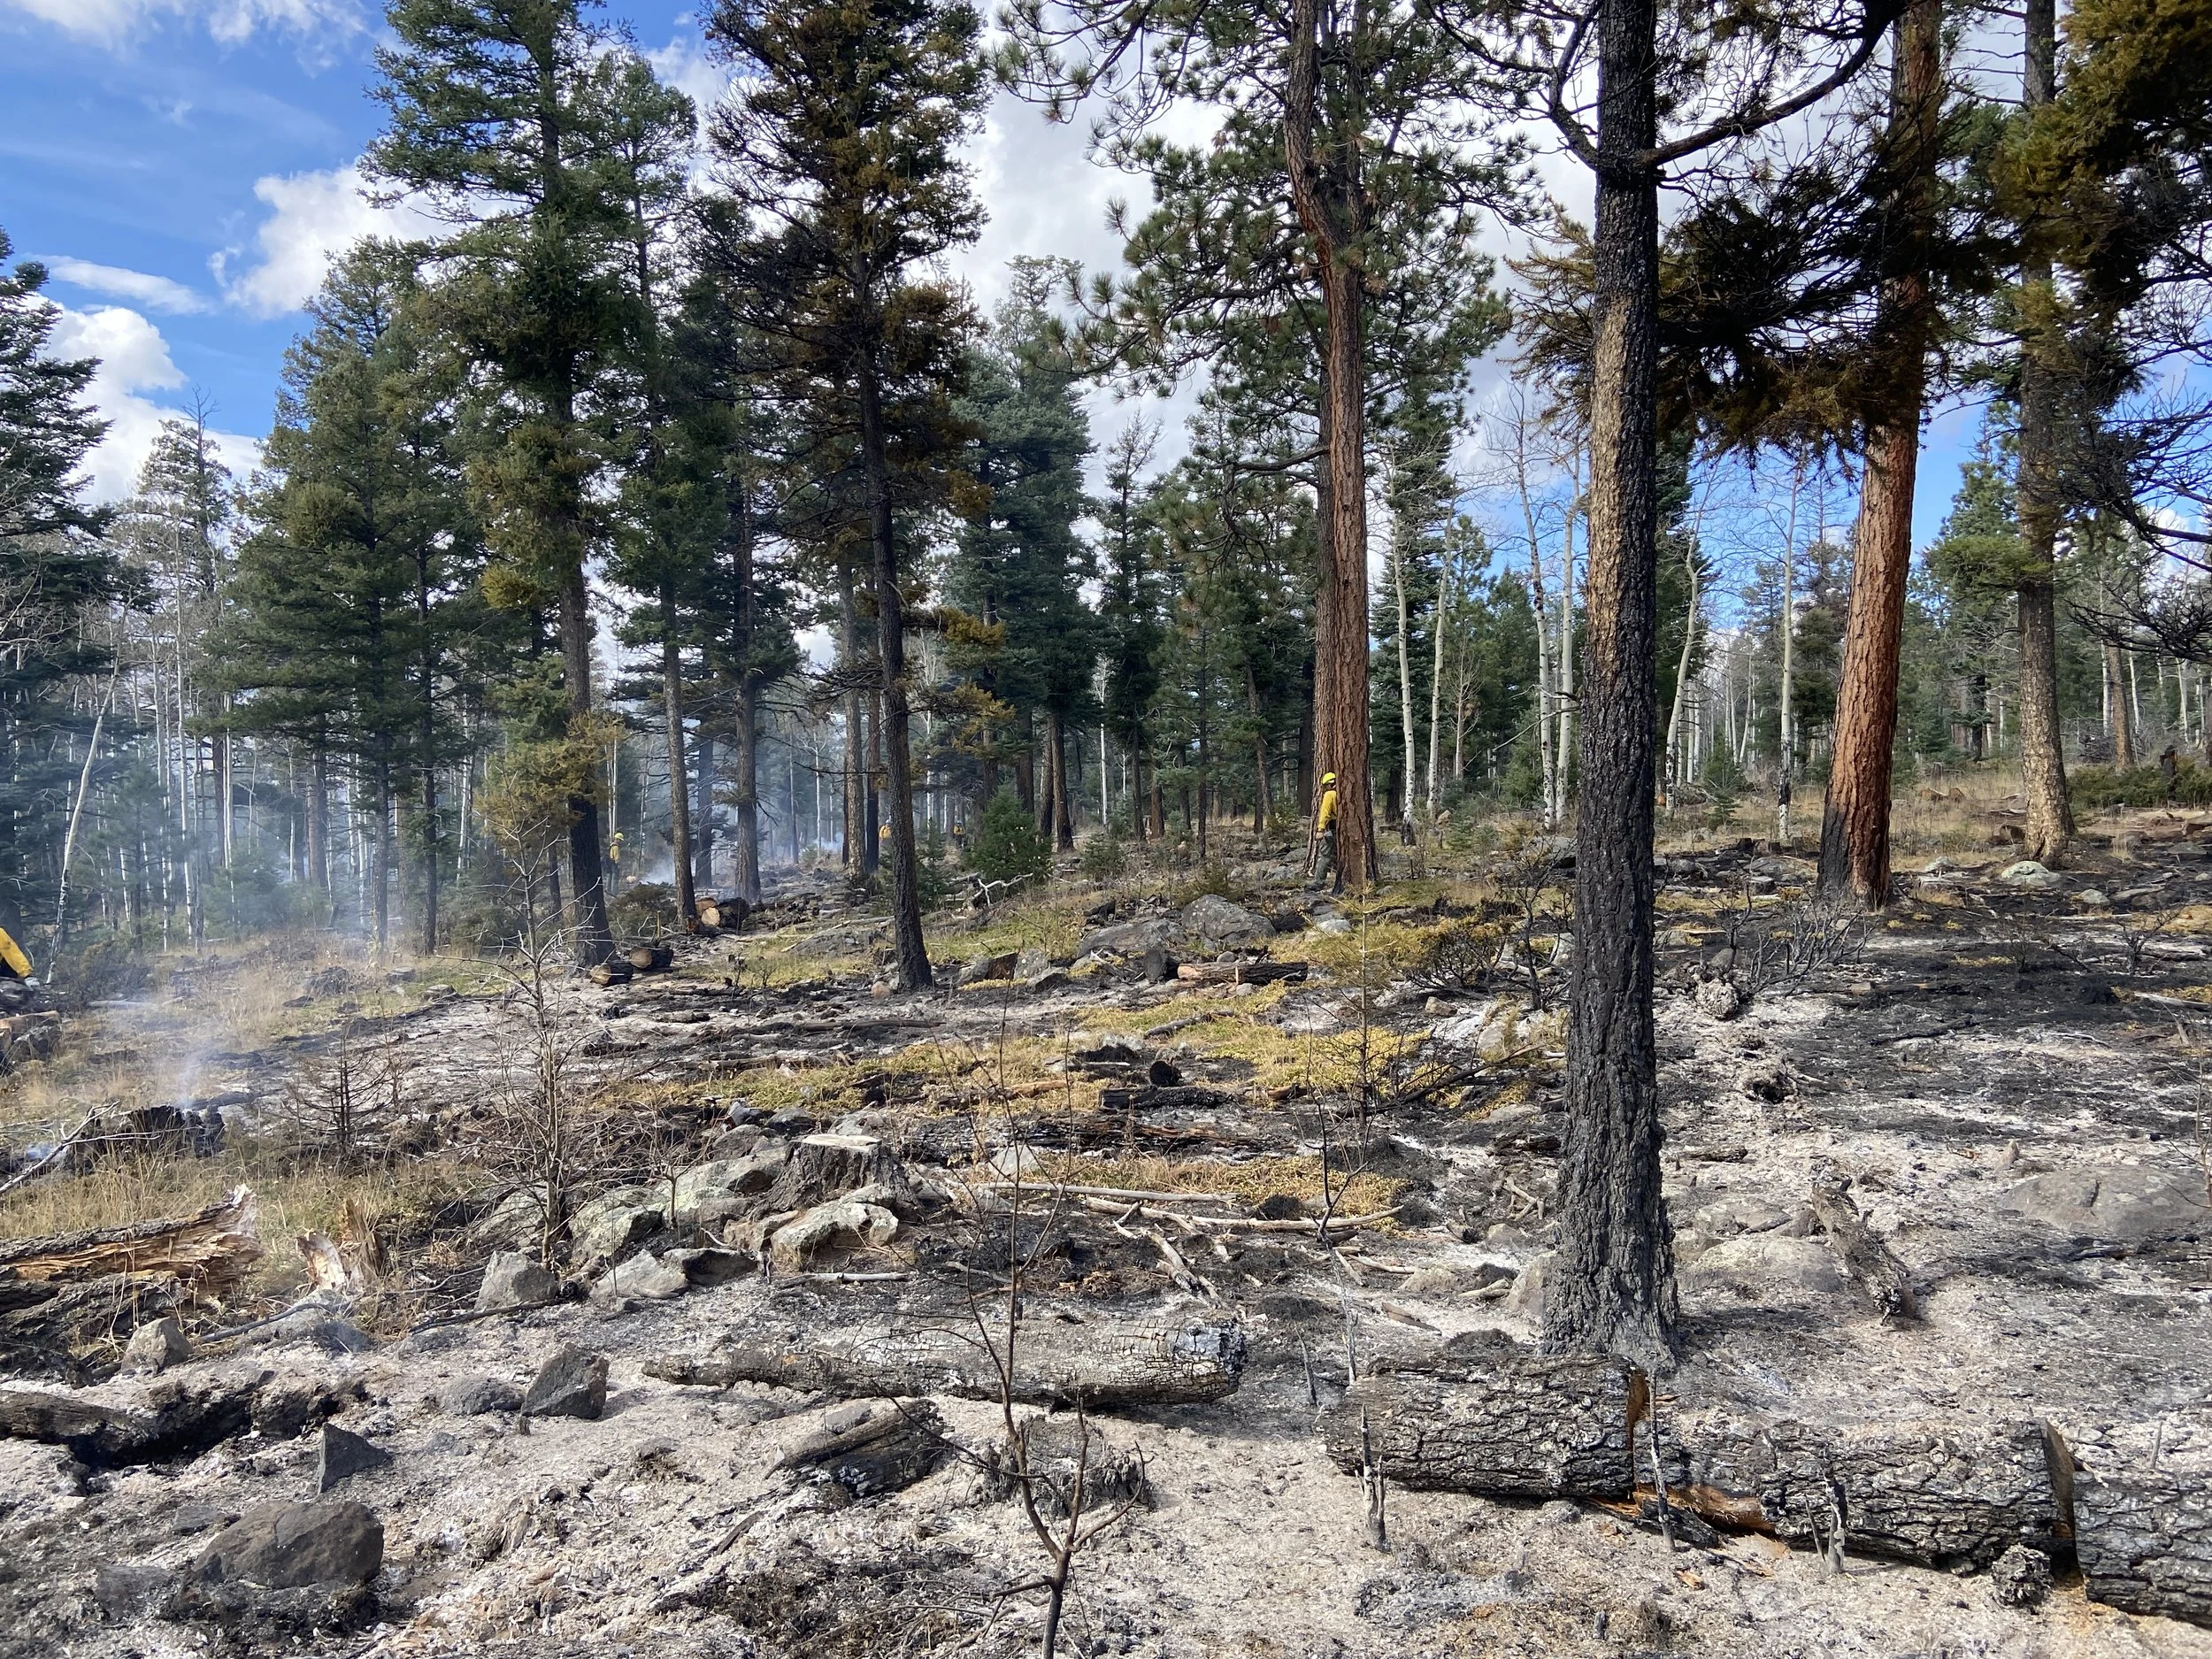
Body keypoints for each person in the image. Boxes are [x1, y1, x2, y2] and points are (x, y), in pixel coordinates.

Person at [1310, 771, 1342, 894]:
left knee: (1324, 855)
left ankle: (1318, 883)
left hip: (1333, 829)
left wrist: (1320, 830)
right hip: (1343, 830)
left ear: (1329, 784)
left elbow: (1325, 814)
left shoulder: (1329, 794)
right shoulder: (1343, 793)